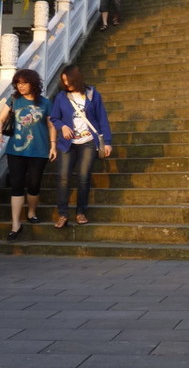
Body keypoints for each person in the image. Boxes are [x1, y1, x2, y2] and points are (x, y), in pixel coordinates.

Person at [50, 64, 112, 228]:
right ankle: (63, 214)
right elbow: (54, 118)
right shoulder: (61, 97)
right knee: (63, 178)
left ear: (76, 79)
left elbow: (102, 119)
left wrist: (107, 142)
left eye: (68, 80)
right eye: (63, 81)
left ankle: (80, 212)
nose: (66, 84)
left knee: (84, 177)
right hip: (67, 144)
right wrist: (62, 126)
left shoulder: (93, 94)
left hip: (88, 142)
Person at [0, 69, 57, 240]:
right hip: (15, 150)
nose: (21, 86)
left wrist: (53, 146)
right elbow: (1, 118)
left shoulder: (45, 103)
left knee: (34, 184)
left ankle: (31, 212)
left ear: (33, 84)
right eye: (18, 83)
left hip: (39, 150)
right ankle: (15, 224)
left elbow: (51, 125)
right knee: (17, 185)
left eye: (24, 83)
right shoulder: (14, 100)